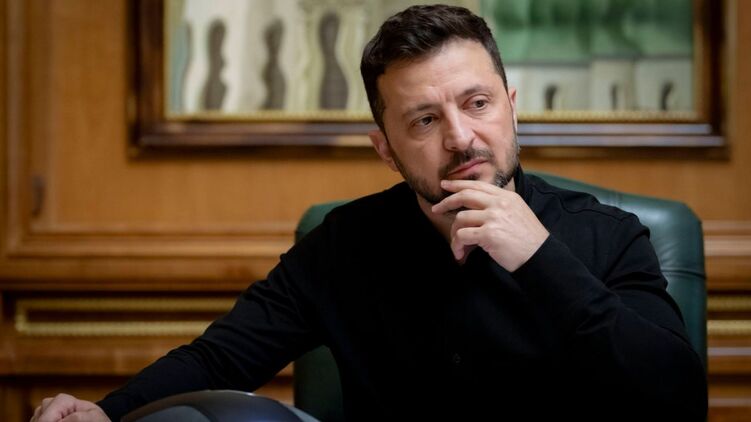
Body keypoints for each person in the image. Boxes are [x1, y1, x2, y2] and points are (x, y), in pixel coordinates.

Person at [32, 4, 706, 421]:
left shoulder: (607, 235)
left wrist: (539, 258)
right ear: (385, 149)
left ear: (511, 108)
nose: (461, 137)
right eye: (424, 119)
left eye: (477, 104)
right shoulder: (344, 246)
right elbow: (220, 360)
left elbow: (675, 398)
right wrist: (106, 413)